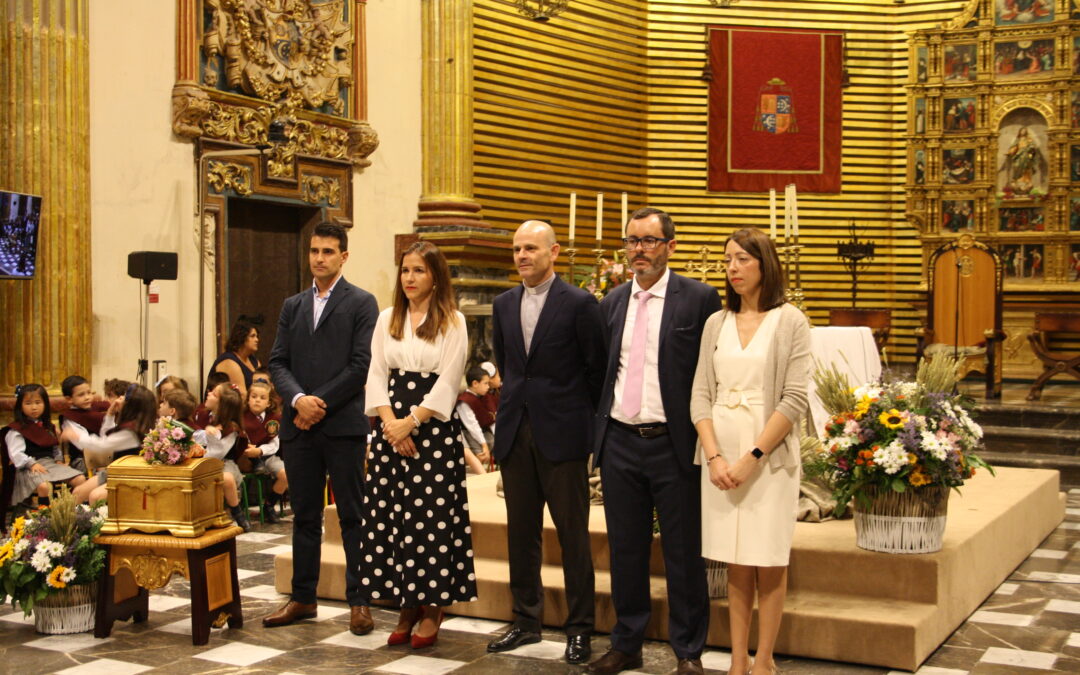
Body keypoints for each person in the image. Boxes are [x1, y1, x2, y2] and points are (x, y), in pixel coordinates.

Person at [588, 207, 721, 675]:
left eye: (648, 241)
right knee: (626, 549)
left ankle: (688, 652)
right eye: (632, 241)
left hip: (674, 443)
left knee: (684, 551)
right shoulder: (612, 302)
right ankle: (627, 644)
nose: (638, 250)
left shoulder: (699, 299)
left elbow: (712, 373)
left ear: (670, 246)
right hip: (621, 441)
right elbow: (602, 373)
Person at [486, 220, 606, 666]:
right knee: (522, 534)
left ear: (553, 253)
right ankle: (526, 620)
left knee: (573, 535)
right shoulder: (503, 303)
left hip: (565, 433)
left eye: (531, 248)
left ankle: (580, 628)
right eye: (517, 249)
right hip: (517, 430)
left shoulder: (579, 302)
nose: (522, 256)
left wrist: (590, 433)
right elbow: (508, 364)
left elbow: (596, 370)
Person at [691, 228, 809, 675]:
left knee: (768, 557)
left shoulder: (790, 321)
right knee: (734, 559)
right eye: (727, 261)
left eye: (742, 259)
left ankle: (764, 660)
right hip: (721, 453)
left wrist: (750, 458)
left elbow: (794, 399)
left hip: (768, 457)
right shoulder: (715, 323)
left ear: (765, 264)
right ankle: (737, 660)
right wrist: (716, 456)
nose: (733, 269)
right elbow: (699, 394)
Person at [265, 222, 379, 635]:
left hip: (342, 425)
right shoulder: (292, 305)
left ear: (343, 256)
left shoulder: (362, 303)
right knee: (305, 516)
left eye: (328, 251)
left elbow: (361, 365)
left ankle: (360, 601)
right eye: (314, 251)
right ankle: (303, 597)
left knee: (352, 515)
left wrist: (318, 403)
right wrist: (298, 400)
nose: (319, 258)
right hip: (299, 427)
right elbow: (277, 361)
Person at [362, 240, 477, 648]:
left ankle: (432, 608)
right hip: (391, 429)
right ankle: (405, 604)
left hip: (431, 429)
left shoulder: (453, 321)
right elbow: (376, 374)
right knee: (395, 519)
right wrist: (391, 424)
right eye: (405, 270)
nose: (409, 278)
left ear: (435, 278)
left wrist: (412, 422)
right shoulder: (386, 318)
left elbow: (448, 380)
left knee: (430, 521)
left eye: (419, 271)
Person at [65, 384, 157, 503]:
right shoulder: (131, 424)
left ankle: (97, 521)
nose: (119, 399)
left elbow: (102, 446)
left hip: (130, 475)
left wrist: (76, 437)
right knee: (78, 492)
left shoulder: (132, 432)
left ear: (131, 406)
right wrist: (110, 414)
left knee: (95, 496)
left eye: (124, 397)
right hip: (116, 471)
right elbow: (107, 436)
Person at [6, 384, 86, 508]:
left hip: (50, 464)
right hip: (28, 467)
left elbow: (54, 447)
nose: (34, 407)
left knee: (80, 479)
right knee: (44, 486)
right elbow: (16, 454)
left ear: (45, 404)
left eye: (38, 402)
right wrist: (31, 464)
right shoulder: (16, 429)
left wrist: (59, 460)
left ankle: (70, 513)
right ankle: (44, 517)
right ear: (20, 406)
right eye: (28, 403)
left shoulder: (48, 426)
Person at [193, 383, 250, 531]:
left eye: (214, 394)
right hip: (201, 460)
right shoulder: (202, 415)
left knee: (227, 478)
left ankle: (237, 512)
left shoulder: (231, 427)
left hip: (223, 462)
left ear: (222, 404)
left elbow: (218, 452)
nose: (209, 393)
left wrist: (208, 437)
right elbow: (195, 436)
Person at [242, 380, 287, 523]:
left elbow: (275, 444)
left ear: (268, 403)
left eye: (262, 398)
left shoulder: (275, 419)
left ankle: (269, 505)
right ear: (248, 399)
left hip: (267, 455)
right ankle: (239, 506)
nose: (257, 400)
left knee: (285, 475)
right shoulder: (241, 417)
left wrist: (260, 451)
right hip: (244, 456)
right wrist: (250, 451)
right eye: (254, 396)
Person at [59, 375, 110, 473]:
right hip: (82, 459)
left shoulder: (96, 409)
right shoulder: (70, 418)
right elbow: (83, 445)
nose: (87, 397)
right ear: (69, 399)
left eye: (89, 393)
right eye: (81, 395)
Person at [209, 319, 261, 397]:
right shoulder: (229, 361)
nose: (257, 340)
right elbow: (242, 396)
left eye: (257, 336)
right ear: (241, 337)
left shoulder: (253, 360)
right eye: (252, 336)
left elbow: (264, 387)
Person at [457, 365, 493, 471]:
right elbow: (472, 426)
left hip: (483, 432)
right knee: (480, 453)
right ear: (475, 383)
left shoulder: (483, 397)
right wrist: (484, 445)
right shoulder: (465, 401)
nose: (488, 387)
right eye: (485, 383)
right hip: (468, 434)